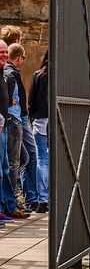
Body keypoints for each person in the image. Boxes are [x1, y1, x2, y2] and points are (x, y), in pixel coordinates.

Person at [3, 43, 35, 211]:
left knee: (22, 158)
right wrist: (9, 101)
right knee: (14, 161)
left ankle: (12, 196)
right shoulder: (10, 73)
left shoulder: (11, 72)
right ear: (19, 58)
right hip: (12, 120)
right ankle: (12, 201)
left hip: (15, 119)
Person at [0, 41, 20, 220]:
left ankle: (8, 206)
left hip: (4, 123)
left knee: (5, 167)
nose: (4, 55)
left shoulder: (3, 71)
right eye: (1, 52)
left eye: (6, 52)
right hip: (3, 123)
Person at [27, 51, 48, 214]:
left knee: (42, 159)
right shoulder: (61, 76)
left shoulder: (38, 75)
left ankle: (43, 198)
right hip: (57, 120)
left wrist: (31, 117)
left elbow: (31, 98)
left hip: (40, 120)